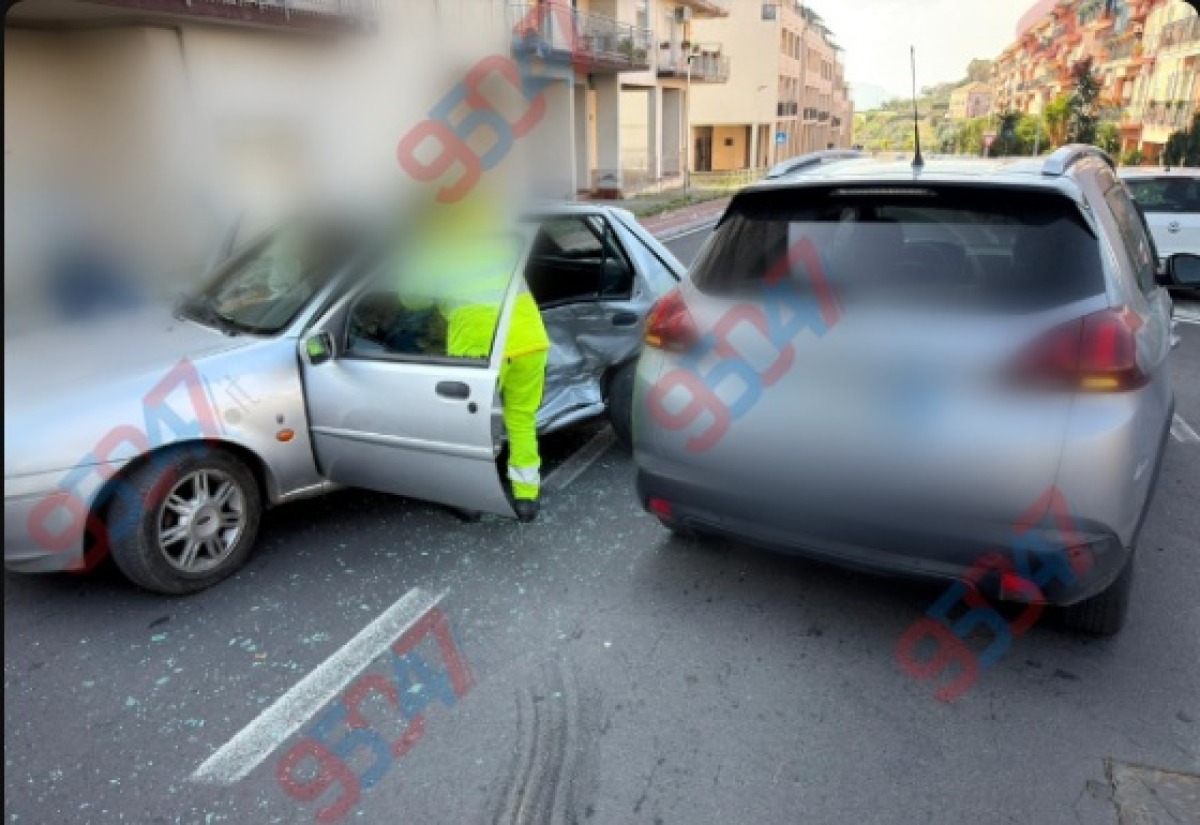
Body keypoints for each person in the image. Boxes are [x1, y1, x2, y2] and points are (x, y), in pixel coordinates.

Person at [404, 192, 551, 522]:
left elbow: (413, 300)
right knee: (521, 420)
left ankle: (471, 500)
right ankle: (526, 498)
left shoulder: (435, 245)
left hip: (481, 347)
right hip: (530, 340)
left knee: (469, 428)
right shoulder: (496, 232)